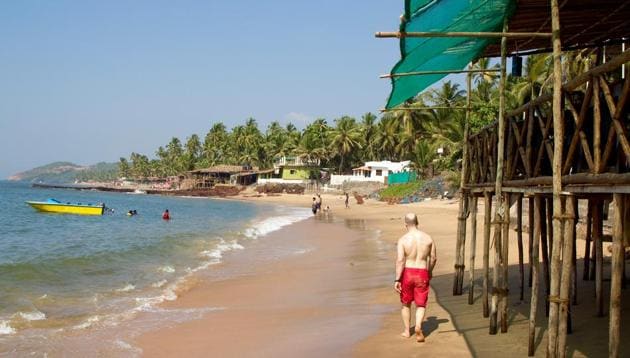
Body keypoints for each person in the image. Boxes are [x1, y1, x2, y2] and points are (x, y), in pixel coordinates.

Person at [394, 213, 437, 343]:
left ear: (406, 224)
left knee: (406, 303)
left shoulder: (403, 240)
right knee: (421, 304)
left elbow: (400, 260)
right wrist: (429, 272)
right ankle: (418, 326)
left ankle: (407, 331)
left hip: (408, 272)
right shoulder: (428, 238)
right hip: (422, 272)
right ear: (417, 222)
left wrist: (397, 279)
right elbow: (433, 258)